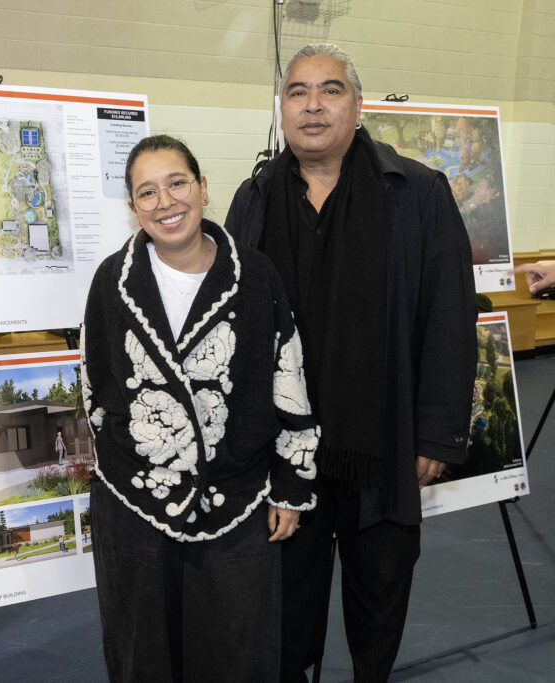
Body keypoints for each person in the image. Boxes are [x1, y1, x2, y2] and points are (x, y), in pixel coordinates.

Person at [225, 44, 477, 682]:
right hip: (282, 452)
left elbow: (449, 316)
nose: (313, 105)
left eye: (330, 90)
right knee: (287, 605)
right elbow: (231, 326)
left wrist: (437, 431)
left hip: (382, 441)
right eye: (298, 91)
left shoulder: (415, 192)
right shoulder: (252, 199)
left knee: (380, 598)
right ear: (282, 108)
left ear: (358, 105)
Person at [82, 134, 320, 681]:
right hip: (135, 503)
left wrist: (291, 482)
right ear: (132, 208)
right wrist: (126, 467)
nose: (165, 203)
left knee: (238, 650)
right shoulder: (110, 285)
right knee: (144, 652)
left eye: (176, 183)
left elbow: (290, 380)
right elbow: (95, 390)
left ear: (203, 187)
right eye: (147, 192)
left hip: (236, 498)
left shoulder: (256, 277)